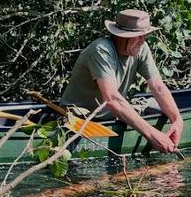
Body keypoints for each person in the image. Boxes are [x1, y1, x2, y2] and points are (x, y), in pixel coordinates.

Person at [60, 8, 183, 154]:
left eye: (144, 36)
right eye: (138, 36)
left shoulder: (141, 48)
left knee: (157, 105)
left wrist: (177, 120)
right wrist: (152, 134)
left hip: (112, 116)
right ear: (122, 36)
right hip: (82, 119)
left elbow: (158, 87)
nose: (142, 41)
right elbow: (112, 99)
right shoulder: (101, 50)